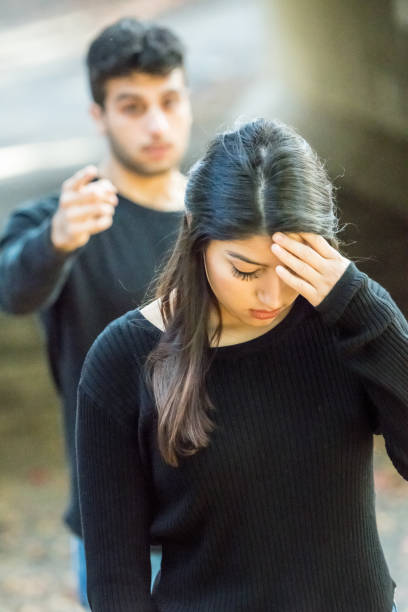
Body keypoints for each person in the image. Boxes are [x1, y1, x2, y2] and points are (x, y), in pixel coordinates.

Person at [76, 117, 407, 611]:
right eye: (245, 270)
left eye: (290, 266)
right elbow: (115, 577)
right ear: (197, 238)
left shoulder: (350, 326)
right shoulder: (123, 359)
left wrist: (368, 309)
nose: (271, 295)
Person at [0, 17, 192, 608]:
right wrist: (55, 241)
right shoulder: (66, 218)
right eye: (132, 106)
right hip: (117, 520)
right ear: (98, 115)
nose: (156, 125)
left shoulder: (220, 219)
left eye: (169, 100)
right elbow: (14, 288)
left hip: (223, 508)